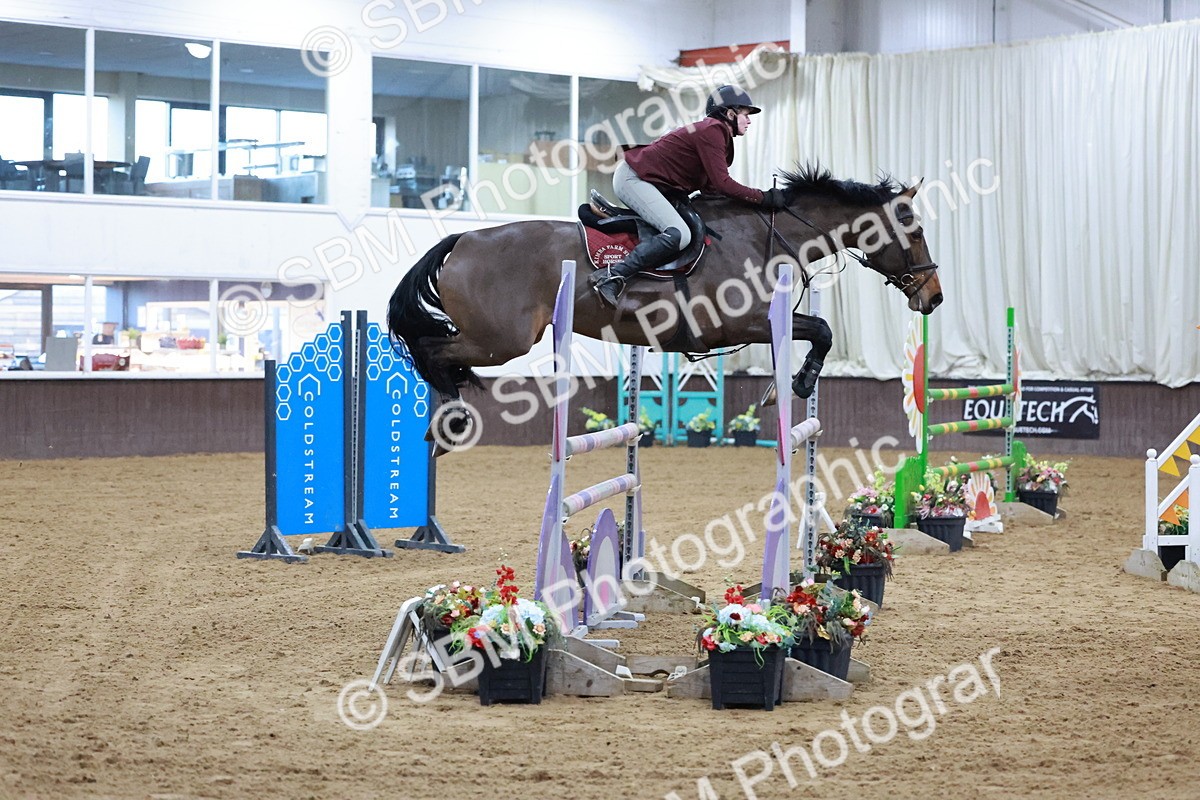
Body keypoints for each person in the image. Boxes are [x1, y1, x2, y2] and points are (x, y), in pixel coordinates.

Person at [589, 84, 788, 307]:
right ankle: (611, 276)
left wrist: (756, 204)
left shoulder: (716, 135)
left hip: (654, 184)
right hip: (633, 178)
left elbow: (711, 189)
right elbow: (724, 185)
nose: (749, 121)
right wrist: (763, 197)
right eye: (745, 115)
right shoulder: (713, 130)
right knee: (679, 234)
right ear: (730, 113)